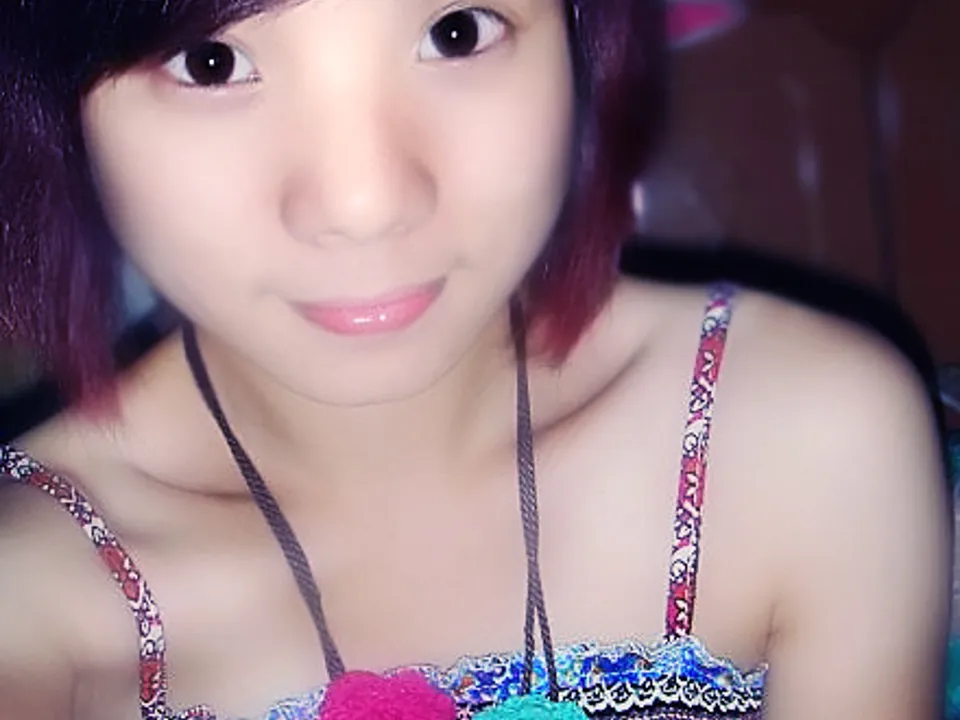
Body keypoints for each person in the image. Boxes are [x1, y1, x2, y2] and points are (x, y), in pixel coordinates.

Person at [0, 1, 950, 719]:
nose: (366, 204)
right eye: (212, 62)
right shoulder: (37, 592)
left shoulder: (803, 440)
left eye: (455, 32)